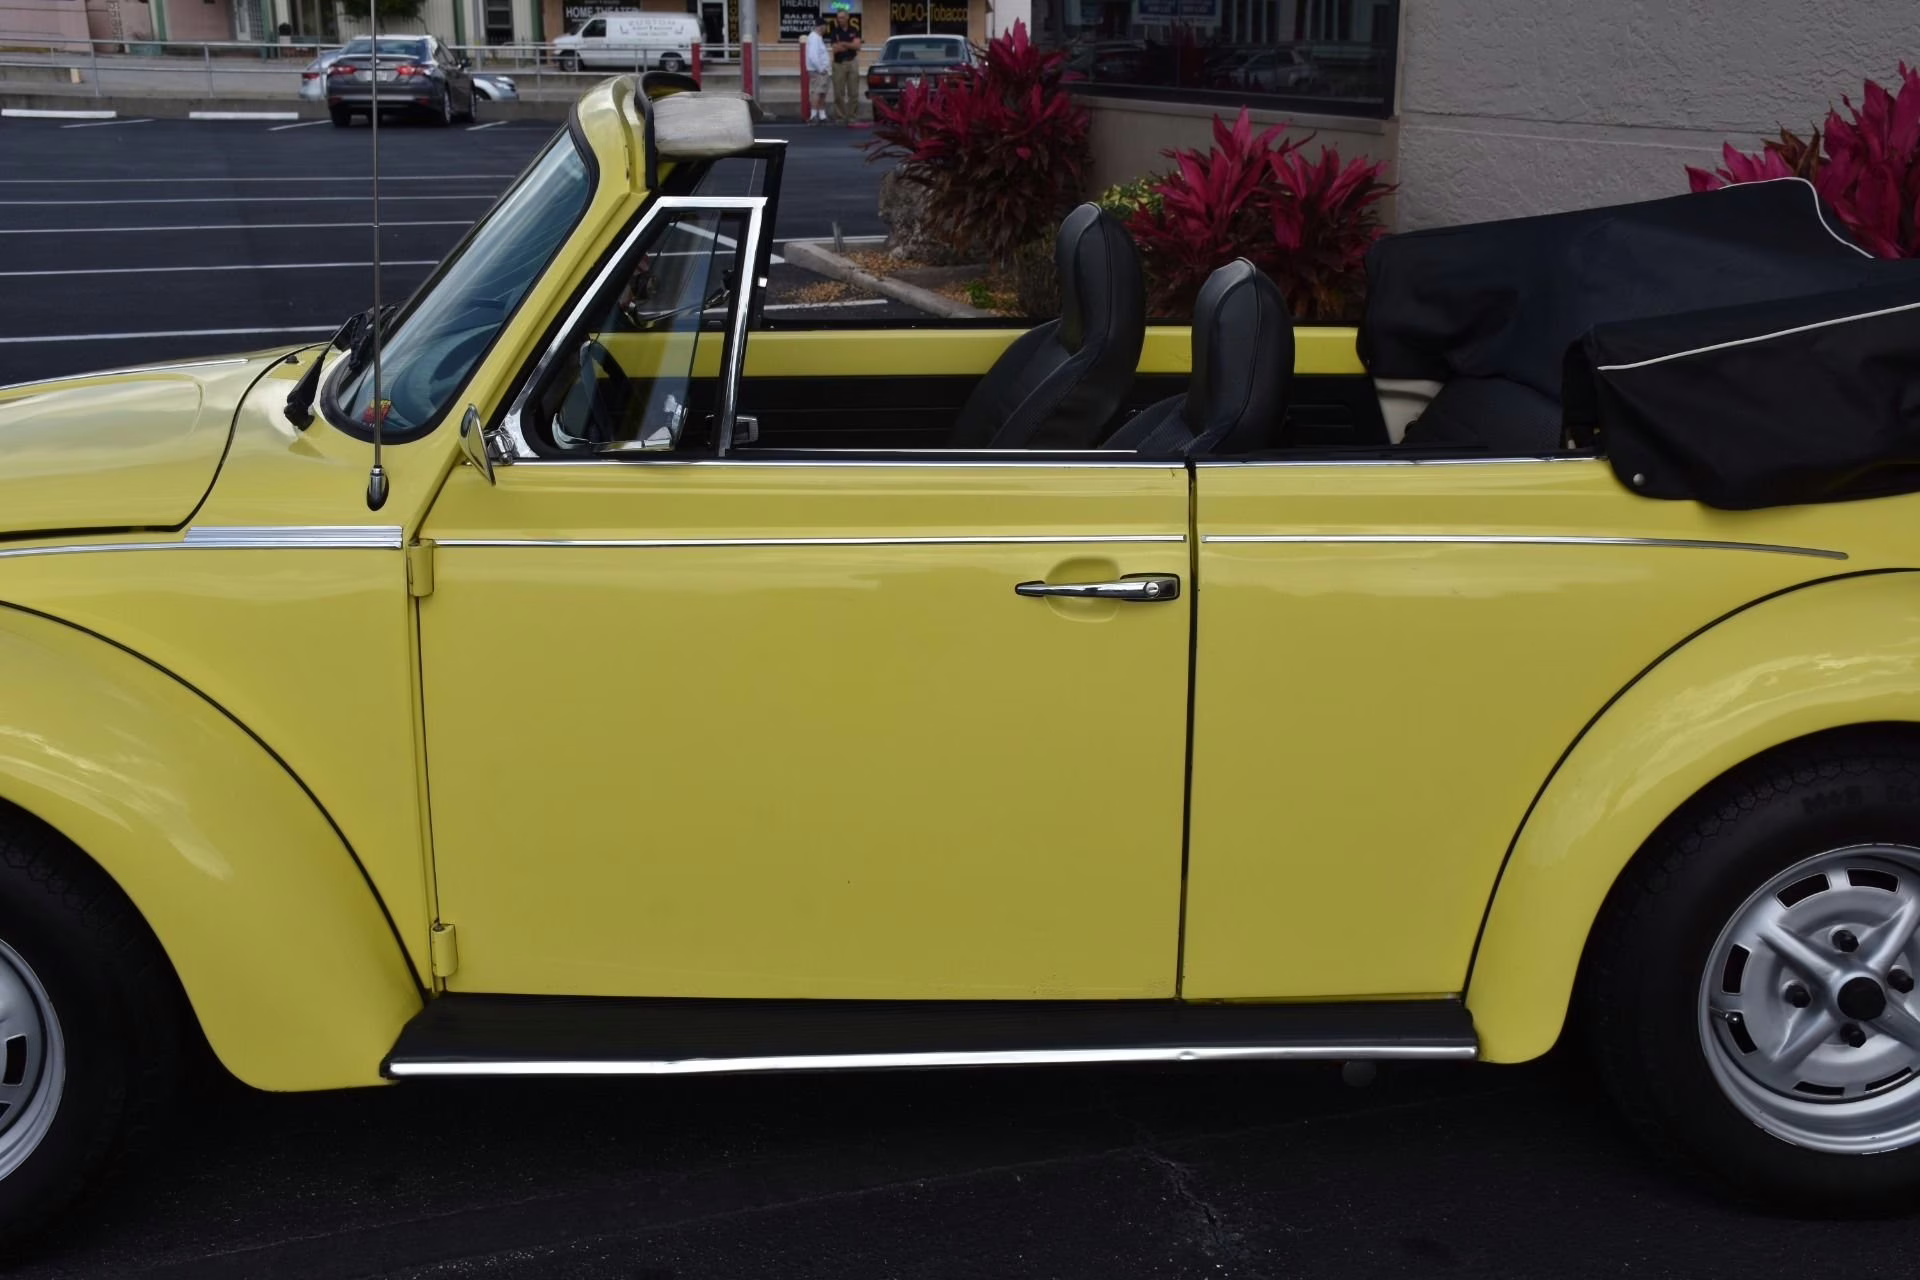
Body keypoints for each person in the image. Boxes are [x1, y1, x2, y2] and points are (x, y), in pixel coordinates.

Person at [826, 5, 861, 125]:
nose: (839, 20)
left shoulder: (854, 30)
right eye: (838, 18)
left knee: (854, 92)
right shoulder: (834, 31)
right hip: (838, 64)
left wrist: (844, 44)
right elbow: (835, 49)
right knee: (839, 93)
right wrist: (849, 45)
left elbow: (857, 46)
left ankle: (852, 117)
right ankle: (840, 117)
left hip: (852, 62)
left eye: (842, 17)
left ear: (847, 18)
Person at [803, 19, 832, 123]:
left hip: (822, 71)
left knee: (822, 93)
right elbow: (813, 56)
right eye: (825, 26)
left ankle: (822, 115)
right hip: (818, 71)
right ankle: (814, 115)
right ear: (821, 26)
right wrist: (821, 69)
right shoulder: (815, 38)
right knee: (817, 92)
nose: (826, 29)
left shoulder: (817, 38)